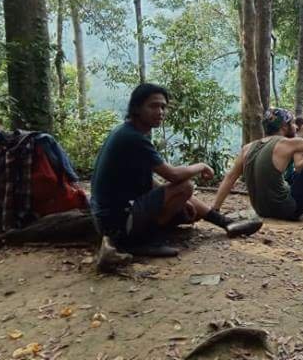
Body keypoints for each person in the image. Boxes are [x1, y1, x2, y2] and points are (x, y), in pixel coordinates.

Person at [90, 84, 255, 270]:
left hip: (110, 218)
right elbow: (174, 175)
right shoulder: (132, 138)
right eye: (153, 106)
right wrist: (201, 166)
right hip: (116, 223)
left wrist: (180, 201)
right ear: (136, 108)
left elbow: (154, 181)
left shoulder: (129, 132)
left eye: (163, 107)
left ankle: (224, 222)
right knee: (185, 187)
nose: (160, 111)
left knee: (185, 209)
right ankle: (143, 241)